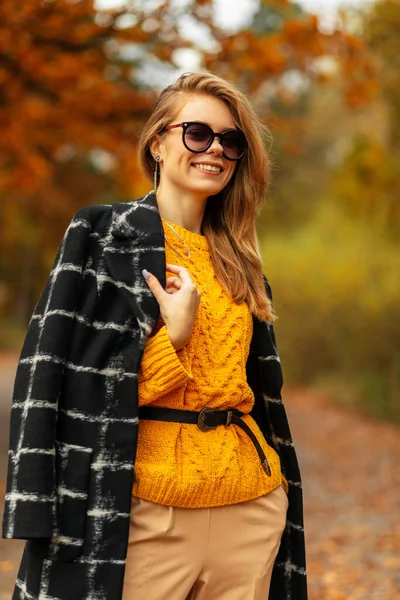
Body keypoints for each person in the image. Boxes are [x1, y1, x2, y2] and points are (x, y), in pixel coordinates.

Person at [2, 72, 307, 600]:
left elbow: (259, 395)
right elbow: (53, 378)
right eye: (197, 132)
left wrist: (275, 490)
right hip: (140, 512)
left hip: (249, 510)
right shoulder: (101, 236)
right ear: (158, 142)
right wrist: (176, 336)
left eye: (230, 141)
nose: (214, 149)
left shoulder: (243, 264)